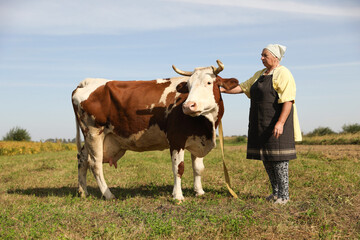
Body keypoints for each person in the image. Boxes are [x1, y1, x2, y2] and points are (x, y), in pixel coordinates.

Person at [221, 44, 302, 204]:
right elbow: (243, 88)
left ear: (275, 58)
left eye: (265, 55)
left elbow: (288, 100)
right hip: (261, 122)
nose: (262, 58)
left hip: (278, 122)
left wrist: (280, 122)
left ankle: (284, 196)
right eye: (262, 55)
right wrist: (220, 90)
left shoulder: (283, 73)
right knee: (267, 158)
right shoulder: (259, 74)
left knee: (279, 160)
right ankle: (276, 193)